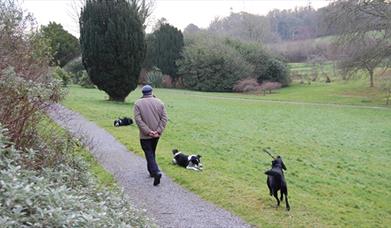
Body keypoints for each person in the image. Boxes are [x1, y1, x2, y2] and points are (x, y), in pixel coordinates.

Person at [133, 85, 168, 186]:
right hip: (156, 135)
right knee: (152, 152)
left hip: (145, 135)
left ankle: (155, 171)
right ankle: (152, 172)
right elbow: (164, 118)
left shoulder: (138, 103)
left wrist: (148, 132)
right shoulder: (159, 102)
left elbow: (138, 120)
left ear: (142, 93)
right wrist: (158, 131)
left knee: (148, 153)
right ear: (151, 92)